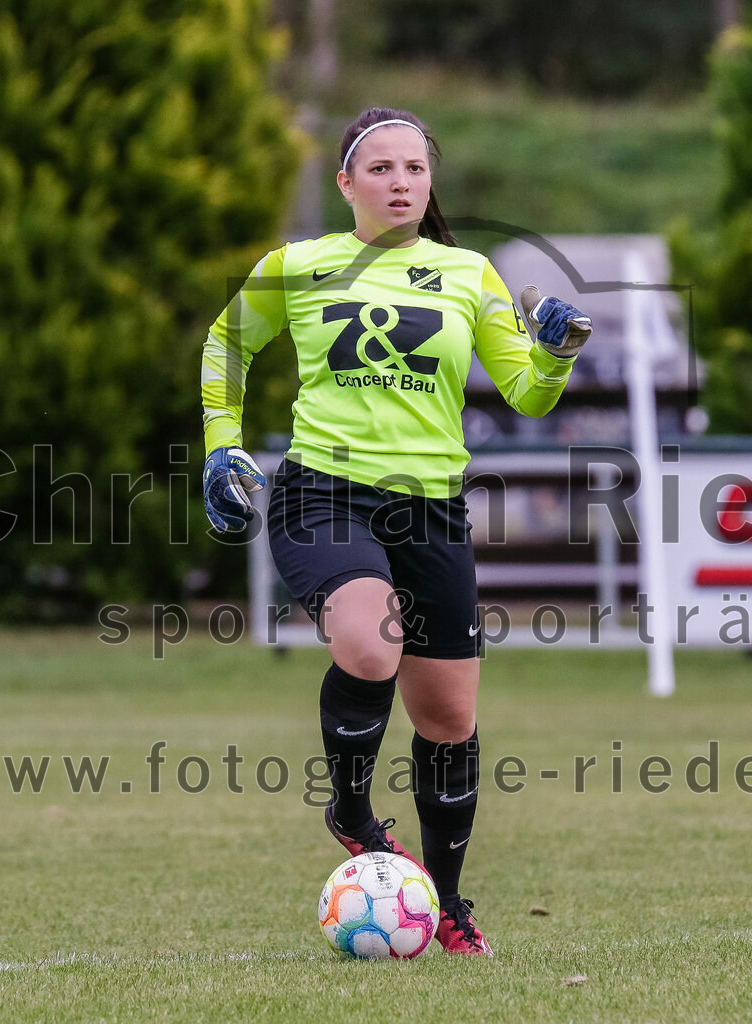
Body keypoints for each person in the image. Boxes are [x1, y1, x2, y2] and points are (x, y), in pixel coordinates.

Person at [201, 107, 592, 955]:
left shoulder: (467, 273)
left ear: (430, 181)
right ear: (346, 184)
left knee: (448, 720)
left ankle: (445, 903)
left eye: (414, 168)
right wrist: (220, 443)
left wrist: (555, 354)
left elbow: (526, 394)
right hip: (324, 494)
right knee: (370, 644)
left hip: (431, 511)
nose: (400, 182)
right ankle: (350, 806)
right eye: (380, 169)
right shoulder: (296, 266)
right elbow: (228, 344)